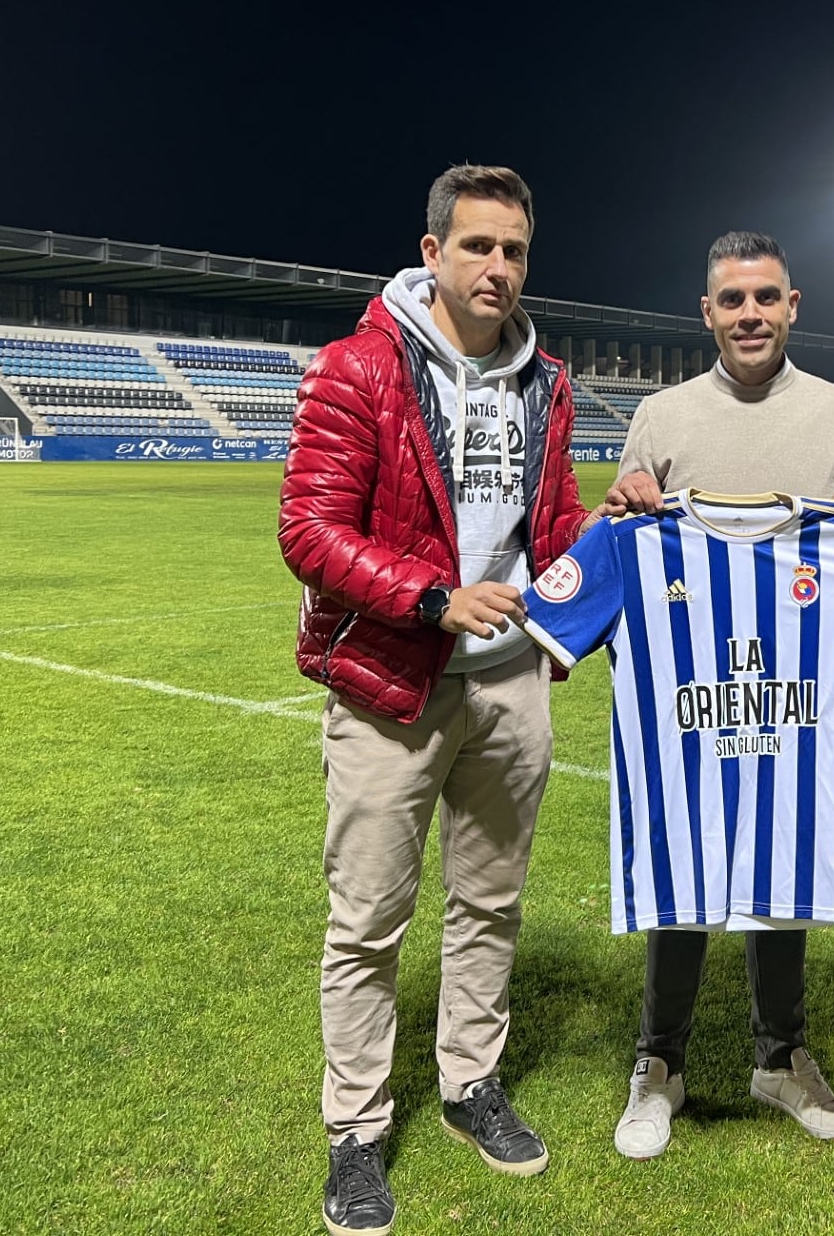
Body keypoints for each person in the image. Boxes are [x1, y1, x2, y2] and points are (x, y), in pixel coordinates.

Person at [279, 164, 595, 1236]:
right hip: (389, 685)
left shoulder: (545, 381)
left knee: (491, 904)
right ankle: (355, 1134)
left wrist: (621, 527)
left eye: (513, 249)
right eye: (477, 246)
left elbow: (551, 531)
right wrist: (429, 596)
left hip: (510, 686)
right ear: (432, 254)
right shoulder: (356, 369)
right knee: (368, 920)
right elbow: (308, 533)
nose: (497, 267)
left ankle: (469, 1085)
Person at [597, 230, 834, 1161]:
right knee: (682, 866)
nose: (749, 315)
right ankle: (659, 1063)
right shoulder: (661, 415)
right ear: (707, 312)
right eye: (732, 301)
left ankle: (780, 1058)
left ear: (792, 306)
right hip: (690, 681)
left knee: (788, 857)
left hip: (799, 689)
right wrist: (619, 507)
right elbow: (626, 526)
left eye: (765, 298)